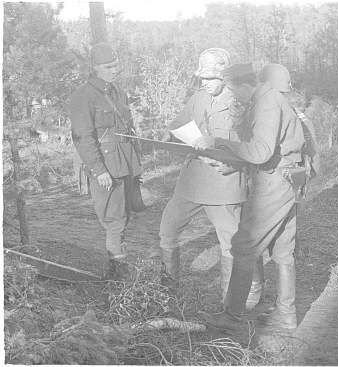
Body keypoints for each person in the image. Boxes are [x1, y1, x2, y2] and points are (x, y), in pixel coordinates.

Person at [194, 63, 306, 330]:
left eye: (234, 91)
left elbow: (260, 152)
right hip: (288, 178)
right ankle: (286, 315)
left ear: (245, 85)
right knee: (282, 250)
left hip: (275, 181)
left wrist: (217, 142)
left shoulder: (267, 102)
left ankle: (231, 316)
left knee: (243, 246)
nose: (234, 97)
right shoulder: (269, 98)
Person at [152, 49, 264, 308]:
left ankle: (234, 300)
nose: (204, 83)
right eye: (202, 78)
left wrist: (235, 164)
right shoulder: (198, 98)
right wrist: (171, 136)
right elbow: (178, 126)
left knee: (232, 243)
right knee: (167, 230)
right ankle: (168, 294)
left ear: (225, 77)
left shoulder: (242, 103)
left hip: (225, 183)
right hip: (192, 181)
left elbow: (252, 147)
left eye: (210, 78)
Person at [70, 42, 142, 280]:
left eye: (116, 65)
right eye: (109, 66)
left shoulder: (117, 92)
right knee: (113, 220)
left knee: (124, 217)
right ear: (95, 67)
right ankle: (119, 279)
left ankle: (119, 266)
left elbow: (125, 128)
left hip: (124, 164)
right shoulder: (84, 96)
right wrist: (98, 169)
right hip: (105, 167)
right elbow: (83, 137)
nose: (115, 70)